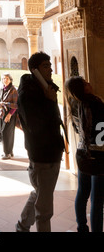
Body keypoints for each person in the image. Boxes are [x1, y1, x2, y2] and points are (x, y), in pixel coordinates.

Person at [15, 52, 65, 232]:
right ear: (34, 70)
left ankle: (22, 225)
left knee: (39, 193)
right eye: (46, 65)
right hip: (42, 155)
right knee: (44, 211)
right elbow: (36, 126)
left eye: (50, 65)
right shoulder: (28, 95)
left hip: (51, 152)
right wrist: (51, 102)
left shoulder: (45, 88)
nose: (51, 68)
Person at [65, 76, 104, 232]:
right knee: (97, 199)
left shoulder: (74, 104)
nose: (89, 83)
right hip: (99, 155)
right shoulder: (95, 103)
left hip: (82, 153)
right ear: (81, 89)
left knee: (82, 193)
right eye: (85, 83)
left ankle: (82, 227)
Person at [0, 74, 18, 159]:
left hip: (10, 113)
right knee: (3, 132)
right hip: (2, 113)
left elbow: (16, 105)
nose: (5, 80)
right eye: (4, 78)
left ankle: (7, 153)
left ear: (10, 80)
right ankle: (10, 152)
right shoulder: (1, 89)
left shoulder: (13, 90)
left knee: (7, 133)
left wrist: (9, 115)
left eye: (7, 78)